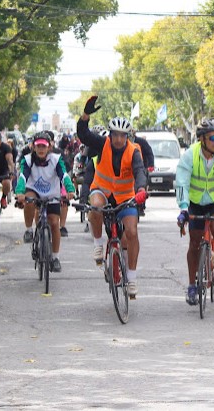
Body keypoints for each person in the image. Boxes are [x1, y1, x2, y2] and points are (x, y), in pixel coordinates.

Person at [76, 96, 148, 299]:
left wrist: (141, 189)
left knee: (132, 232)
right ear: (110, 135)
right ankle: (98, 245)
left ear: (128, 136)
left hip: (126, 197)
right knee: (95, 207)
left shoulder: (134, 152)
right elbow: (84, 135)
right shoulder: (102, 144)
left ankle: (131, 279)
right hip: (102, 190)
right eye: (115, 135)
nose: (118, 139)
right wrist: (85, 115)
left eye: (122, 136)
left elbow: (140, 171)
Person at [175, 118, 214, 306]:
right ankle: (191, 286)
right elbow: (182, 183)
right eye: (213, 138)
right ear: (202, 139)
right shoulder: (190, 155)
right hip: (195, 202)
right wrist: (183, 208)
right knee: (194, 242)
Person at [16, 131, 76, 272]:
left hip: (51, 194)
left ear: (49, 147)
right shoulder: (28, 160)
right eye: (38, 146)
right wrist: (19, 191)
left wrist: (70, 189)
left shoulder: (56, 159)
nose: (41, 149)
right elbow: (23, 177)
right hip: (34, 191)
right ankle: (29, 230)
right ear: (33, 147)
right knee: (29, 201)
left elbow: (64, 175)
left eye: (44, 146)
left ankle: (55, 258)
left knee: (54, 223)